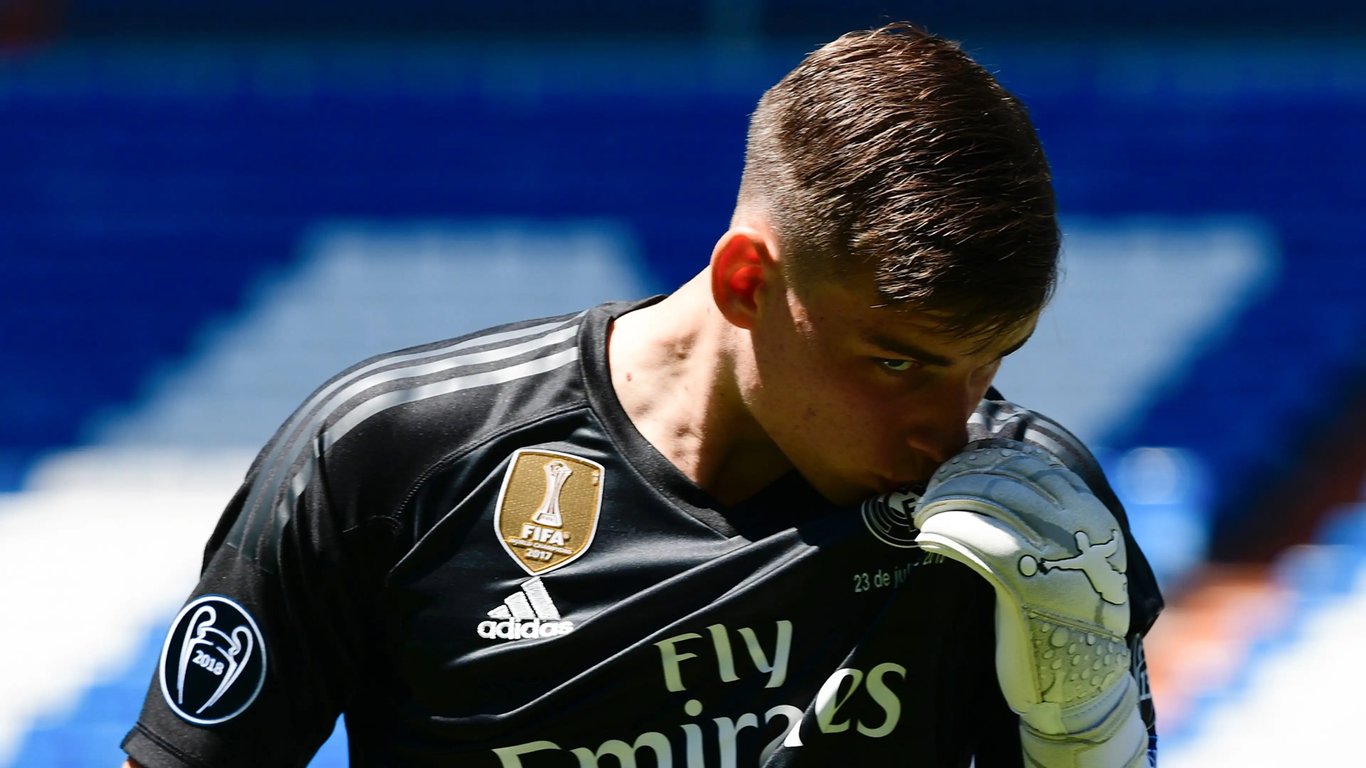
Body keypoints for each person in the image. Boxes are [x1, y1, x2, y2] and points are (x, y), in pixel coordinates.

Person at [121, 22, 1162, 767]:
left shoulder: (1019, 517)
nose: (951, 426)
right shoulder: (391, 459)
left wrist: (1085, 736)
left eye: (992, 360)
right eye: (899, 363)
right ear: (747, 280)